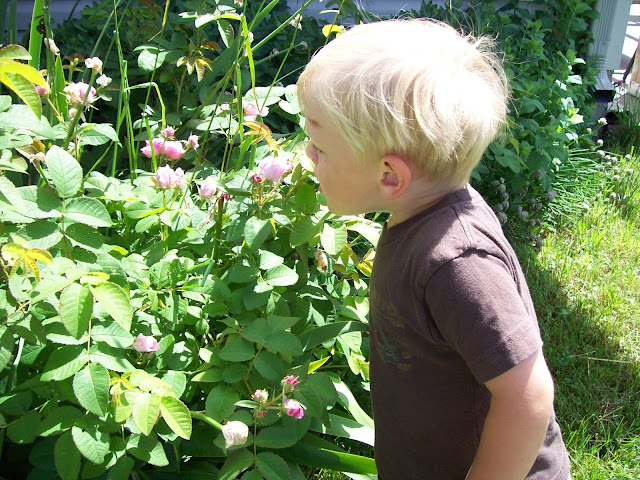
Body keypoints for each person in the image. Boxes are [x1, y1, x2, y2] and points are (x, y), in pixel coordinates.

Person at [297, 19, 571, 480]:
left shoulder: (458, 263)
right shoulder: (416, 214)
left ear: (390, 176)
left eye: (320, 146)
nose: (309, 154)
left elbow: (528, 398)